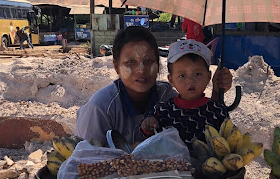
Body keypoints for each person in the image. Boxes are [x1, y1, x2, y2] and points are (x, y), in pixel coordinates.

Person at [74, 27, 233, 146]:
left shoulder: (167, 96)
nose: (141, 70)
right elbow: (86, 159)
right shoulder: (100, 108)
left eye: (149, 61)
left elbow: (202, 115)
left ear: (158, 64)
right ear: (116, 66)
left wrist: (217, 89)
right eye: (130, 62)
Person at [140, 39, 229, 148]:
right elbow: (150, 137)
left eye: (197, 74)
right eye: (182, 76)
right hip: (171, 164)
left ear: (209, 77)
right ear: (171, 80)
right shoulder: (162, 111)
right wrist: (148, 125)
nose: (190, 80)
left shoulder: (217, 111)